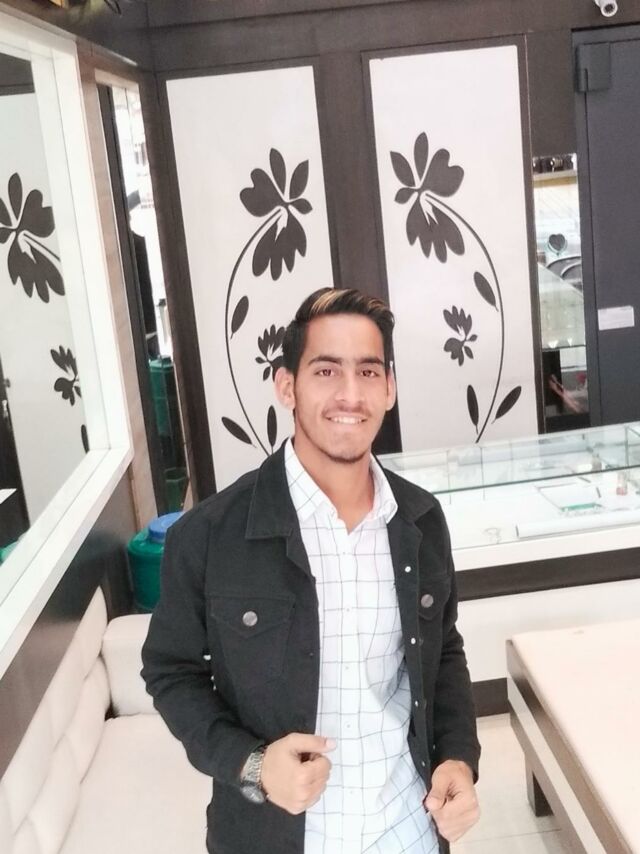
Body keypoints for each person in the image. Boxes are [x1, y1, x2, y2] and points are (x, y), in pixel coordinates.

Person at [141, 287, 481, 854]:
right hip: (274, 839)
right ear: (286, 386)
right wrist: (252, 764)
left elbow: (442, 651)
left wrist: (458, 759)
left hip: (407, 831)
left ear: (389, 388)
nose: (350, 394)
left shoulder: (420, 521)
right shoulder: (209, 535)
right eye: (326, 371)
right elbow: (170, 673)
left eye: (368, 372)